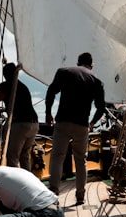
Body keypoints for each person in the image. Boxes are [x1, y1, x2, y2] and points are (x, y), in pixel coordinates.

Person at [44, 52, 106, 205]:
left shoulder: (64, 72)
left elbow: (51, 91)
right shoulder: (97, 81)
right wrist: (92, 123)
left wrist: (48, 113)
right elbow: (101, 108)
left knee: (58, 156)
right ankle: (80, 196)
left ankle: (53, 192)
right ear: (92, 65)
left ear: (78, 62)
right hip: (82, 125)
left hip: (63, 121)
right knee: (81, 160)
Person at [0, 62, 39, 171]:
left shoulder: (6, 85)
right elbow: (19, 104)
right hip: (34, 124)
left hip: (20, 124)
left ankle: (14, 185)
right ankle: (28, 182)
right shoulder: (23, 86)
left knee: (12, 157)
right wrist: (6, 109)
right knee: (24, 156)